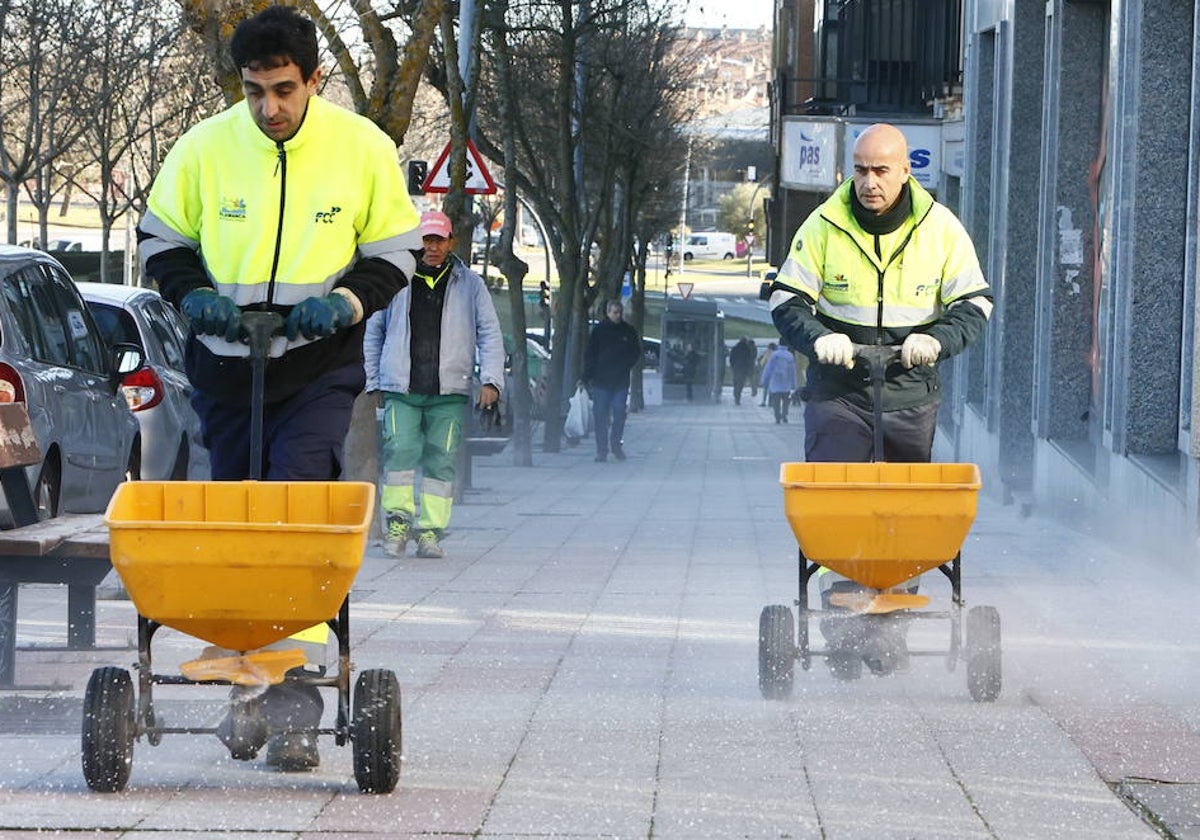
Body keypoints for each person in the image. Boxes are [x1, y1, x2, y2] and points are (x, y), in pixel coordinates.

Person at [138, 6, 421, 771]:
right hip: (225, 366)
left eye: (284, 90)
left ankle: (294, 711)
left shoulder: (362, 148)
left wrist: (346, 302)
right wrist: (193, 295)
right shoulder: (203, 147)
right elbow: (161, 241)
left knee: (293, 513)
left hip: (317, 365)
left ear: (314, 79)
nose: (269, 108)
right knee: (234, 525)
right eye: (255, 90)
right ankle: (244, 687)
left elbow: (396, 250)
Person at [768, 123, 992, 677]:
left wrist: (935, 339)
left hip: (909, 391)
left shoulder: (940, 228)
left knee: (903, 513)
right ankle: (840, 622)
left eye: (882, 170)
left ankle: (891, 625)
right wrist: (819, 338)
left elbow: (976, 303)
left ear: (905, 171)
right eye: (862, 169)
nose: (870, 182)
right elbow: (785, 298)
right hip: (838, 390)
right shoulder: (823, 225)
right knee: (838, 507)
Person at [363, 210, 504, 559]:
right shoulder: (396, 280)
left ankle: (430, 531)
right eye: (426, 239)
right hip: (402, 388)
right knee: (400, 454)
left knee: (441, 461)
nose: (432, 247)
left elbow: (490, 333)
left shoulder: (470, 284)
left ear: (451, 242)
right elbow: (373, 331)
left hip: (449, 392)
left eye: (439, 240)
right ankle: (398, 523)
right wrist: (373, 380)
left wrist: (491, 380)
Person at [582, 299, 641, 462]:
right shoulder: (599, 331)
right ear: (608, 313)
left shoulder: (628, 331)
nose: (617, 315)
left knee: (619, 413)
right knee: (600, 416)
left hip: (620, 381)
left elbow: (635, 352)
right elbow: (590, 354)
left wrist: (626, 365)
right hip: (601, 381)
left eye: (619, 312)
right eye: (614, 312)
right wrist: (586, 376)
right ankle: (602, 450)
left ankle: (616, 445)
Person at [759, 342, 797, 423]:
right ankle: (784, 414)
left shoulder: (774, 355)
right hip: (786, 383)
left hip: (775, 382)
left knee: (776, 401)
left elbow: (768, 368)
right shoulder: (790, 355)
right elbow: (792, 371)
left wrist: (764, 379)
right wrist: (793, 384)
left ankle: (777, 416)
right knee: (786, 401)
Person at [728, 336, 756, 405]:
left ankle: (736, 396)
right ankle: (738, 397)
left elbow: (731, 358)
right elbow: (749, 359)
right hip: (743, 369)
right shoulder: (747, 349)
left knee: (736, 382)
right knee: (740, 384)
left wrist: (733, 366)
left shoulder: (734, 348)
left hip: (736, 368)